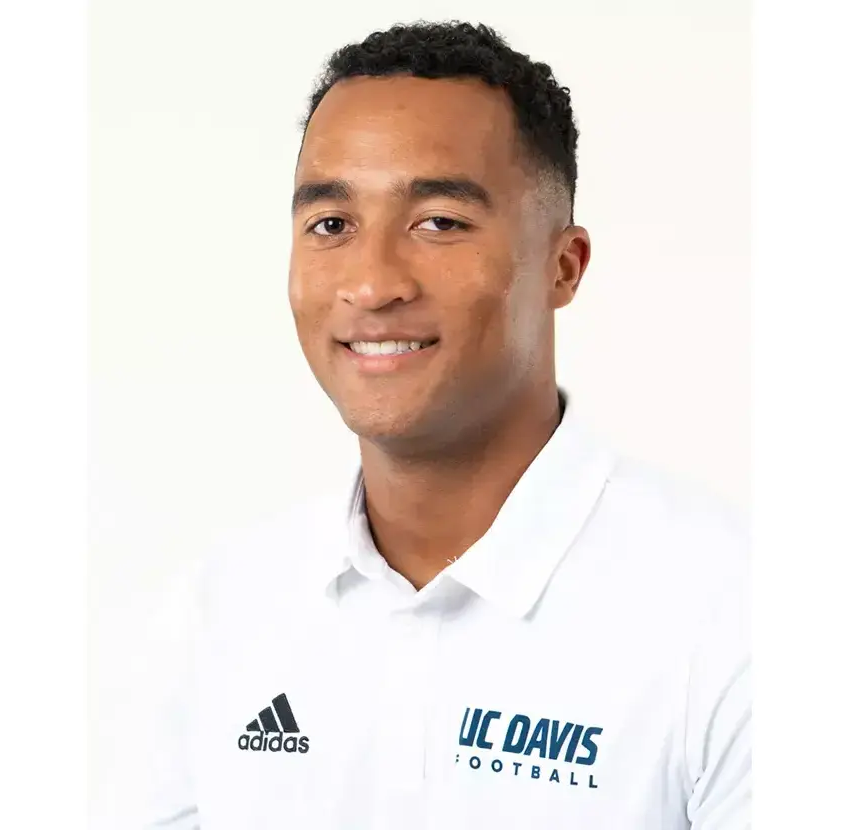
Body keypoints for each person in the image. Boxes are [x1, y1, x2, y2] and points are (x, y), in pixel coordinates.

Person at [135, 20, 750, 830]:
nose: (371, 284)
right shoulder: (222, 609)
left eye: (439, 222)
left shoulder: (732, 613)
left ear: (562, 266)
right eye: (331, 224)